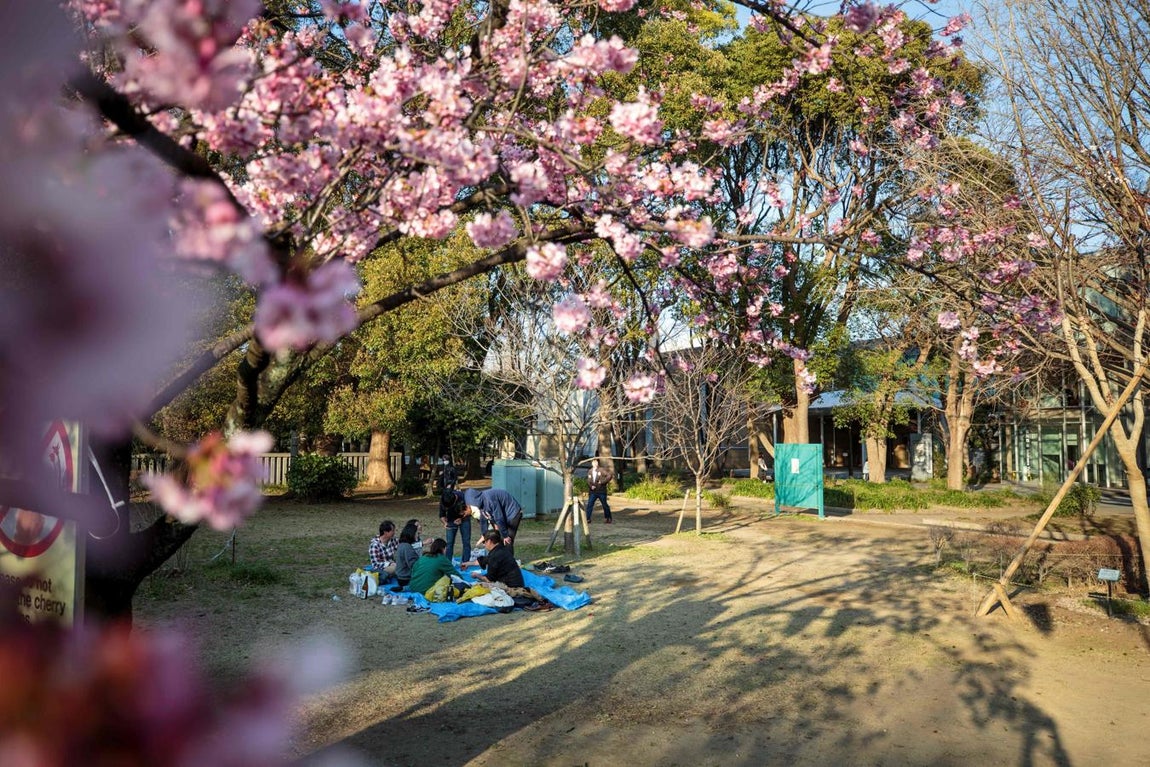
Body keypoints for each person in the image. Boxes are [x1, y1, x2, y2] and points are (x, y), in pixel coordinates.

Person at [464, 487, 523, 557]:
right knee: (498, 540)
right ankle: (500, 561)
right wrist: (484, 534)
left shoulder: (489, 501)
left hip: (512, 513)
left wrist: (505, 535)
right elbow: (483, 519)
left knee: (507, 540)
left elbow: (499, 518)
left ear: (474, 499)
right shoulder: (480, 503)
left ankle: (509, 564)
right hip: (503, 514)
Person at [439, 488, 472, 564]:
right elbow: (442, 515)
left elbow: (470, 511)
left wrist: (462, 518)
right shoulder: (444, 499)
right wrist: (444, 522)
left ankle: (465, 563)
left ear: (455, 499)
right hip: (451, 520)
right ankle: (448, 563)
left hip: (464, 518)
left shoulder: (463, 496)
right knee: (449, 543)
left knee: (466, 541)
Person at [394, 520, 422, 589]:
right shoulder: (407, 547)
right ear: (411, 534)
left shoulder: (402, 544)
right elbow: (414, 565)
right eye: (416, 533)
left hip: (401, 576)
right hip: (406, 578)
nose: (417, 535)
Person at [585, 458, 614, 524]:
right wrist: (591, 486)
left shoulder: (602, 470)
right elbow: (588, 481)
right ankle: (588, 519)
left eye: (596, 462)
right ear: (592, 463)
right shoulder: (590, 471)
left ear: (597, 463)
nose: (595, 464)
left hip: (601, 491)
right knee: (589, 505)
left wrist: (602, 482)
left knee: (604, 505)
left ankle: (608, 518)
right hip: (593, 492)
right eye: (593, 463)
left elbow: (609, 476)